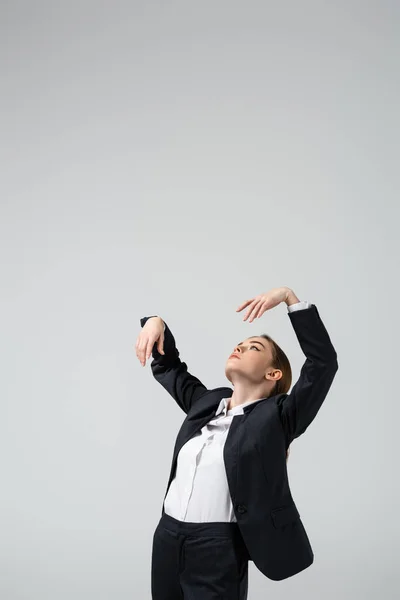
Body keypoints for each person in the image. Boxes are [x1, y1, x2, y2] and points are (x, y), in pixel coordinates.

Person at [135, 286, 338, 599]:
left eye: (253, 347)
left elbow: (322, 364)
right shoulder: (205, 402)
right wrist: (155, 321)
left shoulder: (279, 416)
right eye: (239, 344)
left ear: (274, 373)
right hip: (167, 539)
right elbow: (168, 366)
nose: (240, 348)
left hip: (218, 547)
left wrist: (289, 298)